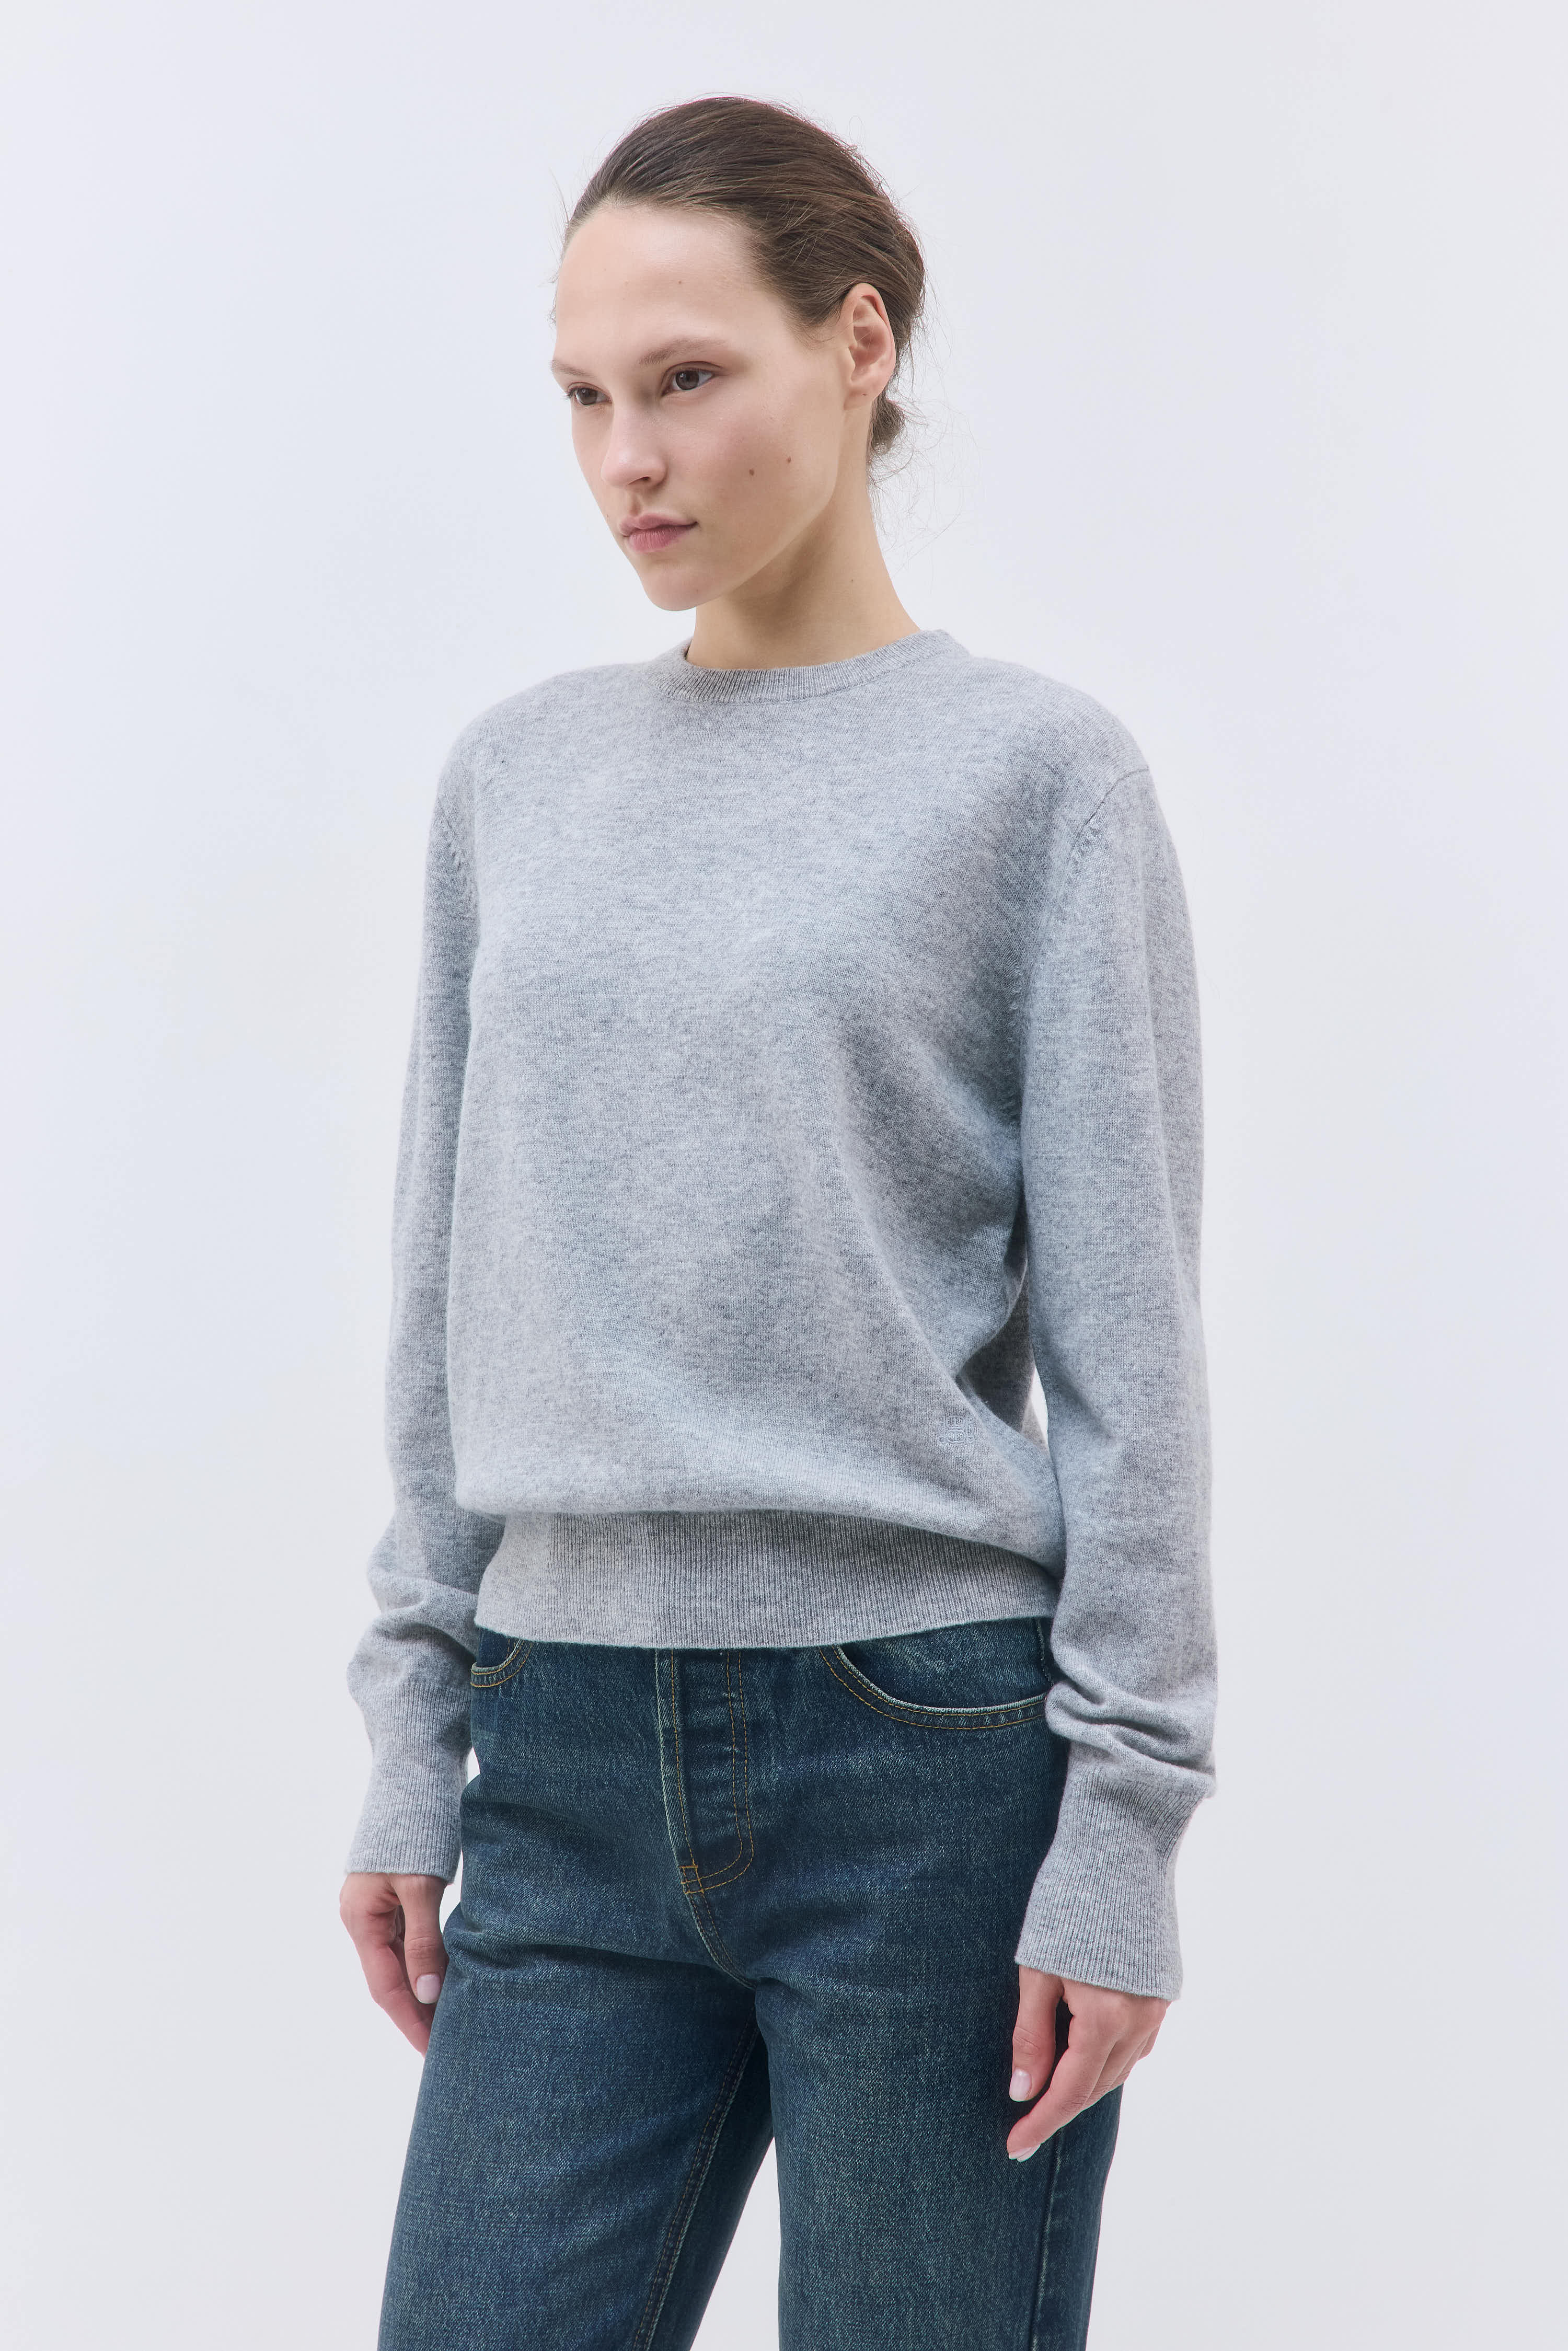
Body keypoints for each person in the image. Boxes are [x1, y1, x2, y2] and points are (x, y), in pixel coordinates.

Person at [339, 93, 1216, 2351]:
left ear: (859, 341)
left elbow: (1131, 1347)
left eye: (686, 379)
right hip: (553, 1744)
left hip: (923, 1761)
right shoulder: (517, 778)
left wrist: (1123, 1830)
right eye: (584, 396)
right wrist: (410, 1727)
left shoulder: (1037, 779)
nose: (627, 458)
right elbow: (446, 1286)